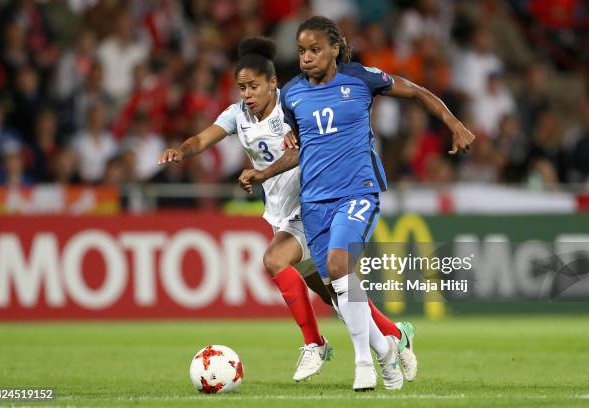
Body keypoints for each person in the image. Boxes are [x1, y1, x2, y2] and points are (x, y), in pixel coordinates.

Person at [158, 36, 413, 383]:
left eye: (253, 86)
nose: (247, 94)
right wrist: (182, 150)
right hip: (282, 213)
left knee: (276, 261)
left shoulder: (294, 104)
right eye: (241, 87)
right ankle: (396, 337)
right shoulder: (237, 115)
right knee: (338, 297)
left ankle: (316, 344)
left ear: (273, 83)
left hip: (315, 204)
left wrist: (263, 172)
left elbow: (305, 148)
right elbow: (203, 139)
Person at [239, 16, 474, 391]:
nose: (307, 57)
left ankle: (364, 364)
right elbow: (302, 151)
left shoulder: (361, 78)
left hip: (357, 191)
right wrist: (263, 174)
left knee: (337, 266)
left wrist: (454, 123)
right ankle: (389, 346)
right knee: (338, 288)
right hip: (313, 202)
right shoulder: (294, 95)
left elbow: (414, 90)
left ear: (334, 48)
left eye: (315, 50)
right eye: (301, 51)